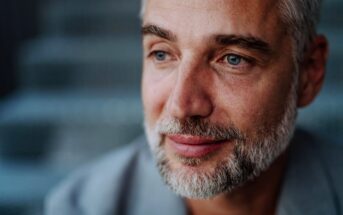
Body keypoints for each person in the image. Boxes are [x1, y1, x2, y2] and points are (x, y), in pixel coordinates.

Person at [46, 0, 343, 214]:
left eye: (233, 59)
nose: (181, 106)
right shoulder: (79, 206)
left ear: (308, 73)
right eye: (162, 54)